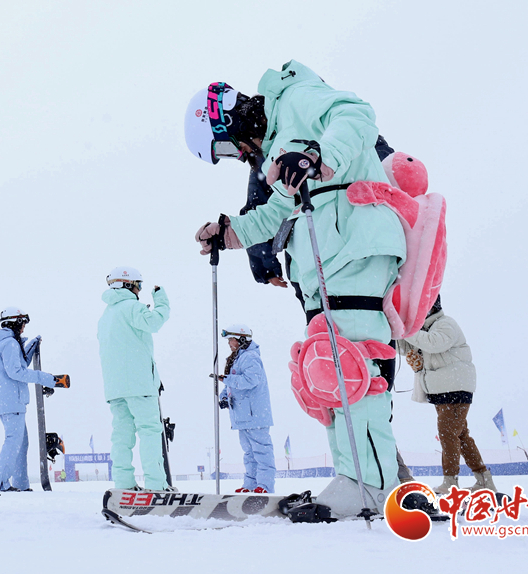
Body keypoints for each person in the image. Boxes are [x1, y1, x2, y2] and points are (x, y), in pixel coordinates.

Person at [186, 62, 404, 518]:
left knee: (353, 363)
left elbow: (357, 115)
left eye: (225, 146)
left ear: (232, 119)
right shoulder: (281, 145)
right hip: (326, 257)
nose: (237, 155)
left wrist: (318, 156)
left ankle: (371, 484)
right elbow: (274, 213)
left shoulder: (297, 100)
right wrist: (230, 232)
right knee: (331, 368)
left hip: (353, 242)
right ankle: (354, 478)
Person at [398, 296, 495, 494]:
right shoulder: (423, 330)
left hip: (455, 388)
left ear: (432, 307)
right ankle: (483, 479)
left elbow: (433, 343)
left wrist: (406, 329)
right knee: (460, 435)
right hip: (443, 390)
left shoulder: (445, 324)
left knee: (447, 433)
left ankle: (450, 481)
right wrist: (397, 331)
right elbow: (405, 347)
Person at [97, 266, 172, 492]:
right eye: (139, 285)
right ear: (129, 285)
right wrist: (161, 301)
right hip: (139, 384)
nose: (140, 290)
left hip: (115, 387)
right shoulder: (132, 307)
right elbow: (154, 322)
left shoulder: (106, 316)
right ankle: (156, 485)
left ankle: (124, 484)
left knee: (122, 436)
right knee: (150, 431)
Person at [0, 307, 68, 492]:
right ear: (14, 323)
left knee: (20, 443)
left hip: (9, 401)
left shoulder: (6, 344)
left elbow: (19, 364)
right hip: (11, 402)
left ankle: (20, 484)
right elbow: (17, 372)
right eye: (22, 323)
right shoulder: (9, 344)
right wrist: (49, 379)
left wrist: (32, 346)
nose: (24, 327)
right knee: (13, 442)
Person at [216, 324, 275, 494]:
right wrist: (224, 397)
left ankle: (265, 486)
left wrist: (226, 379)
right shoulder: (238, 359)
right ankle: (250, 485)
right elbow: (232, 384)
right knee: (249, 454)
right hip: (242, 416)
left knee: (262, 452)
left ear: (242, 339)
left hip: (255, 415)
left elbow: (250, 380)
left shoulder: (250, 357)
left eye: (231, 339)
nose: (229, 343)